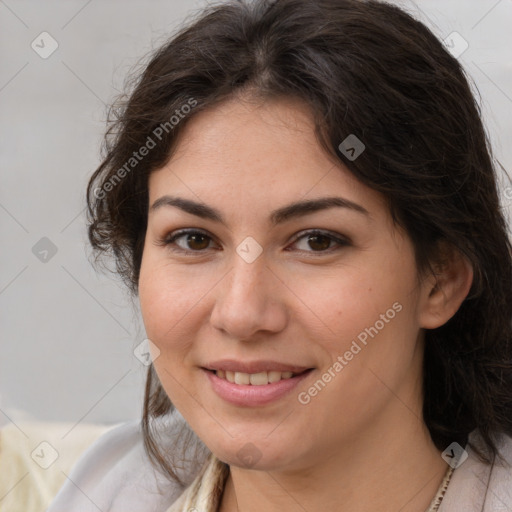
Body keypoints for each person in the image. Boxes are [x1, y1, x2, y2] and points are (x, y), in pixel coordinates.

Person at [48, 0, 512, 510]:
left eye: (316, 241)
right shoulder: (108, 489)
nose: (242, 314)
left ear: (440, 280)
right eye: (194, 239)